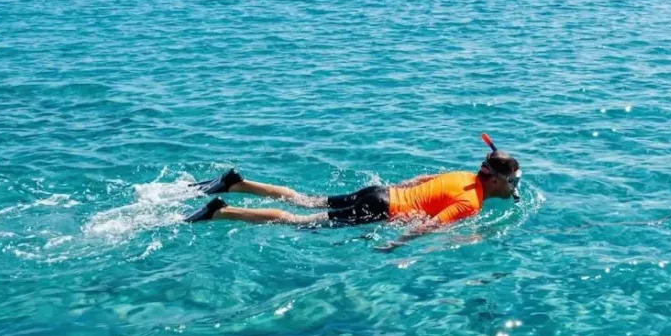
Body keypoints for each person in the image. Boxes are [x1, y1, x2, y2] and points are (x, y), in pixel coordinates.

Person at [183, 149, 521, 247]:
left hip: (380, 193)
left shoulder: (464, 176)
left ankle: (237, 183)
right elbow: (431, 225)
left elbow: (419, 181)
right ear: (498, 181)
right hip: (382, 208)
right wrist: (397, 245)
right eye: (513, 181)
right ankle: (222, 211)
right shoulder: (471, 204)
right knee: (299, 221)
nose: (514, 187)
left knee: (306, 200)